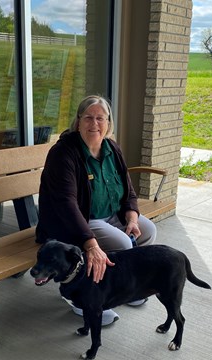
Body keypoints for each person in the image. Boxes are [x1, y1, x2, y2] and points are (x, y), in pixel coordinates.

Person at [36, 95, 157, 325]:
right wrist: (90, 244)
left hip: (112, 215)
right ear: (78, 121)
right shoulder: (64, 153)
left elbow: (128, 191)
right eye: (88, 118)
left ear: (108, 123)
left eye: (100, 118)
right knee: (122, 245)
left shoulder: (111, 148)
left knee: (148, 230)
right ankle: (84, 299)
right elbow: (66, 204)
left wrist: (131, 218)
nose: (94, 124)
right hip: (77, 222)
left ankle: (127, 287)